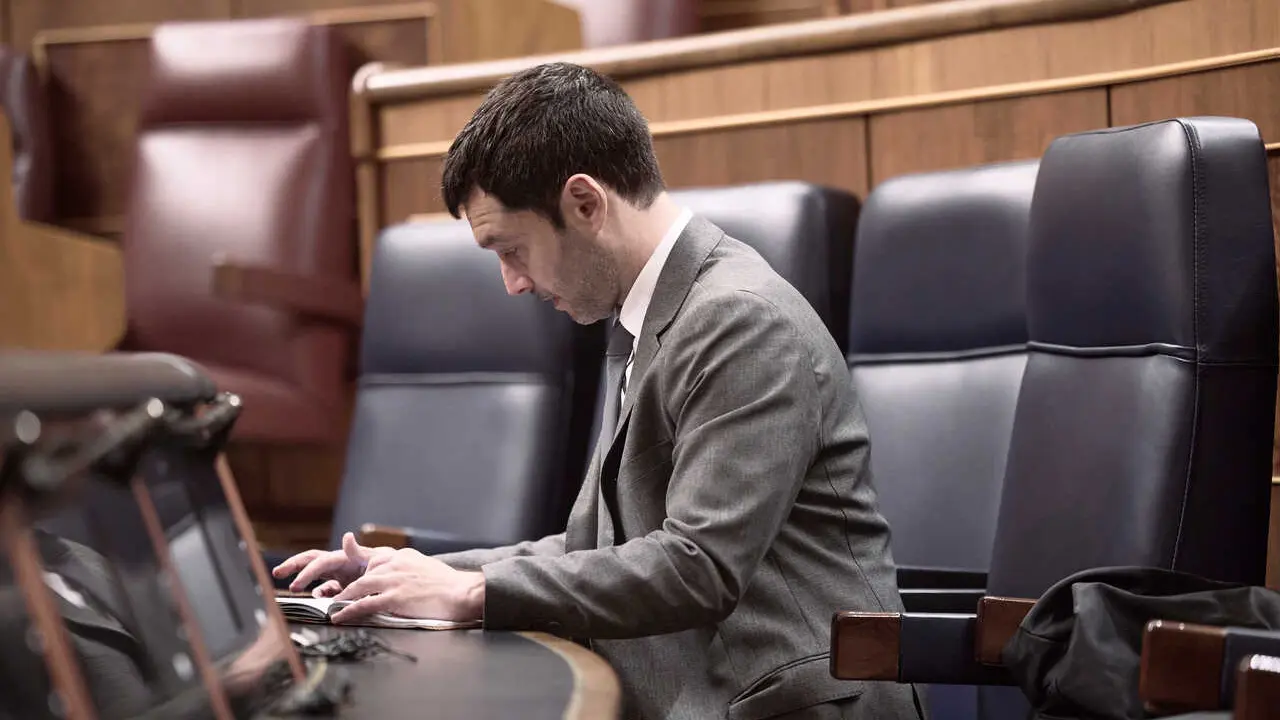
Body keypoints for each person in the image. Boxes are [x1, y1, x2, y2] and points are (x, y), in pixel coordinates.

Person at [273, 61, 921, 720]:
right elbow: (592, 549)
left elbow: (697, 566)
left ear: (584, 204)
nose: (512, 284)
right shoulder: (662, 313)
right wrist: (411, 575)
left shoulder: (739, 320)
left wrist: (476, 594)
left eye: (512, 250)